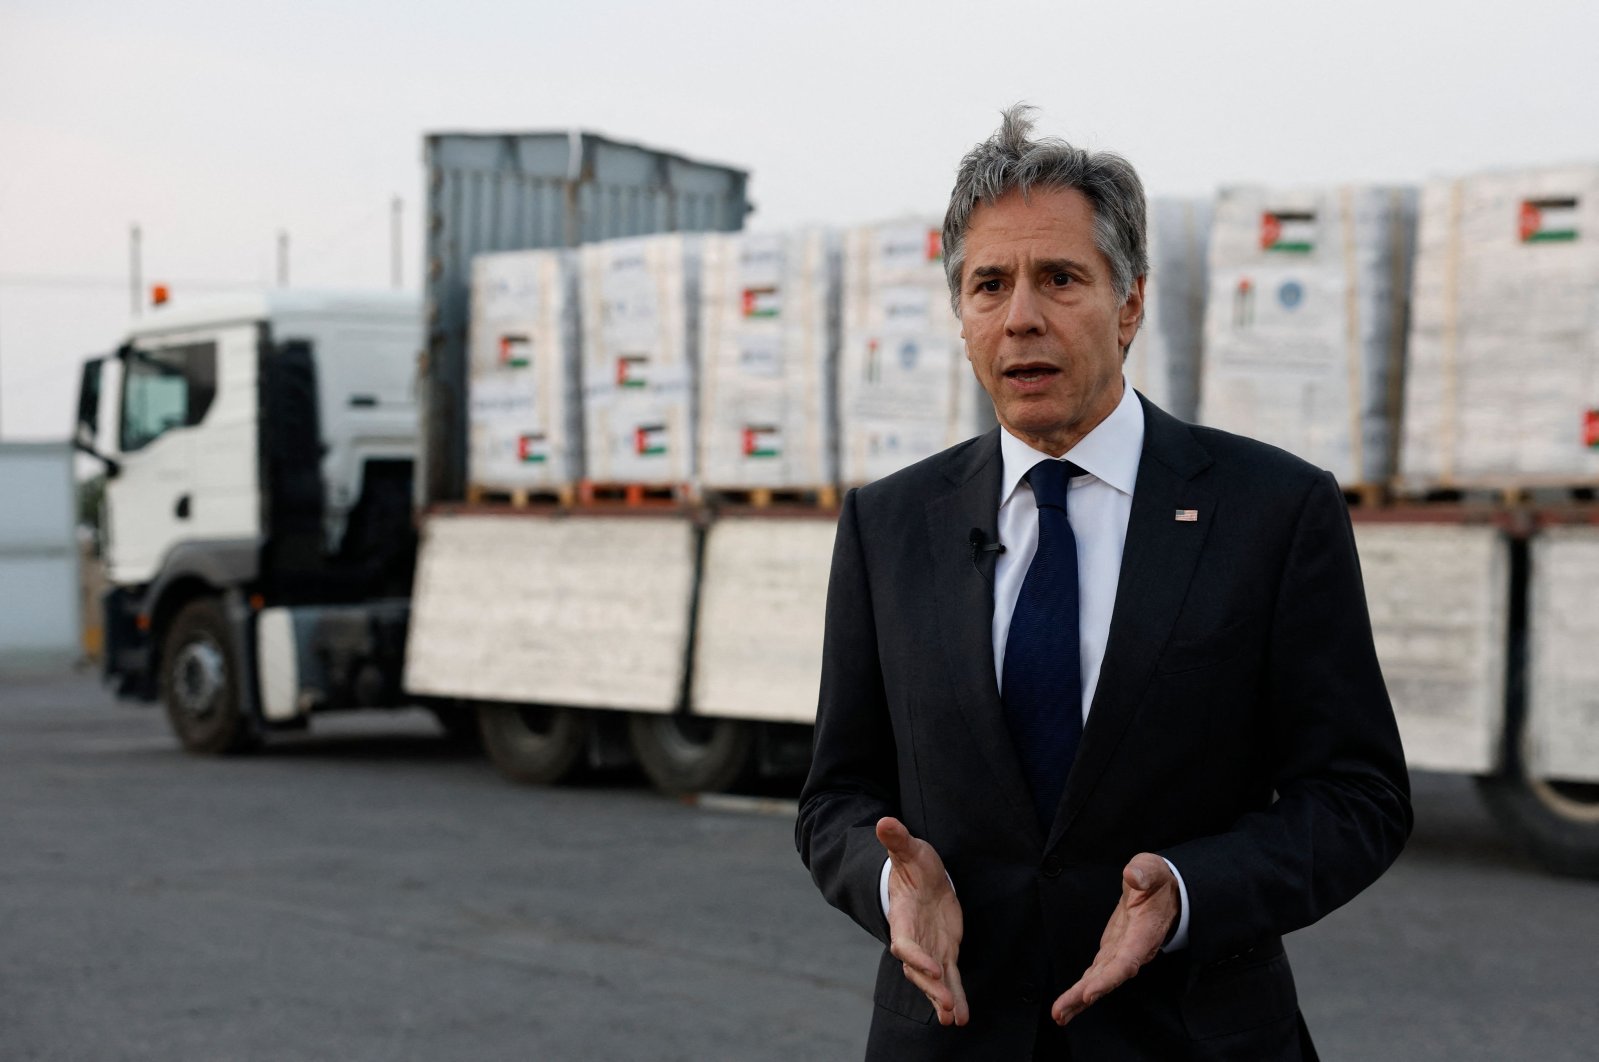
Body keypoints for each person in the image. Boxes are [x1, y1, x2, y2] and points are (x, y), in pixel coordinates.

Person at [795, 105, 1412, 1061]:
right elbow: (835, 794)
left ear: (1128, 304)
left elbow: (1356, 794)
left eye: (1060, 279)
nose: (1021, 316)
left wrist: (1187, 886)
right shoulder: (887, 526)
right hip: (951, 1035)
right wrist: (890, 889)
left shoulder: (1272, 510)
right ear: (960, 316)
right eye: (987, 284)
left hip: (1191, 1035)